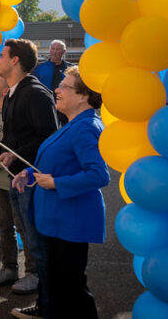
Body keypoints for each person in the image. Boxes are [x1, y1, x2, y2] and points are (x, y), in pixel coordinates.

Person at [12, 66, 109, 319]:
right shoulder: (73, 124)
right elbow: (60, 164)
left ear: (83, 95)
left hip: (71, 223)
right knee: (62, 290)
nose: (57, 89)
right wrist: (31, 174)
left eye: (64, 86)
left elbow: (99, 174)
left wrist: (56, 183)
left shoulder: (86, 127)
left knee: (72, 292)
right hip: (58, 222)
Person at [0, 39, 59, 317]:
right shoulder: (14, 93)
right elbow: (12, 136)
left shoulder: (36, 93)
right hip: (17, 177)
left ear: (15, 60)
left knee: (36, 240)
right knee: (22, 231)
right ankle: (40, 296)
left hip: (31, 179)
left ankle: (45, 301)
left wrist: (15, 156)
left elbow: (47, 138)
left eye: (2, 56)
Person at [0, 73, 37, 290]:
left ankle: (32, 272)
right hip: (0, 182)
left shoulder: (18, 115)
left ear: (6, 90)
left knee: (25, 226)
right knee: (5, 224)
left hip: (19, 181)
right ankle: (9, 268)